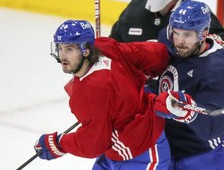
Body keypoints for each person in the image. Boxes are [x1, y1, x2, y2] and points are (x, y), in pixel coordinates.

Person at [109, 0, 224, 169]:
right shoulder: (137, 8)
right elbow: (116, 49)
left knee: (214, 146)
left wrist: (195, 79)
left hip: (199, 99)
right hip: (158, 104)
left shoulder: (196, 17)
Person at [33, 20, 172, 170]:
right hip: (118, 147)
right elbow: (153, 54)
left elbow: (93, 144)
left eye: (69, 49)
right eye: (60, 48)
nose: (62, 56)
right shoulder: (103, 46)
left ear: (86, 50)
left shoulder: (89, 91)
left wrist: (58, 144)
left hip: (143, 151)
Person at [156, 0, 224, 169]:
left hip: (204, 156)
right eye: (176, 33)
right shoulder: (167, 38)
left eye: (187, 35)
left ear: (203, 34)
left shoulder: (217, 70)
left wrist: (189, 112)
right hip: (165, 150)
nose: (179, 41)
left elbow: (213, 129)